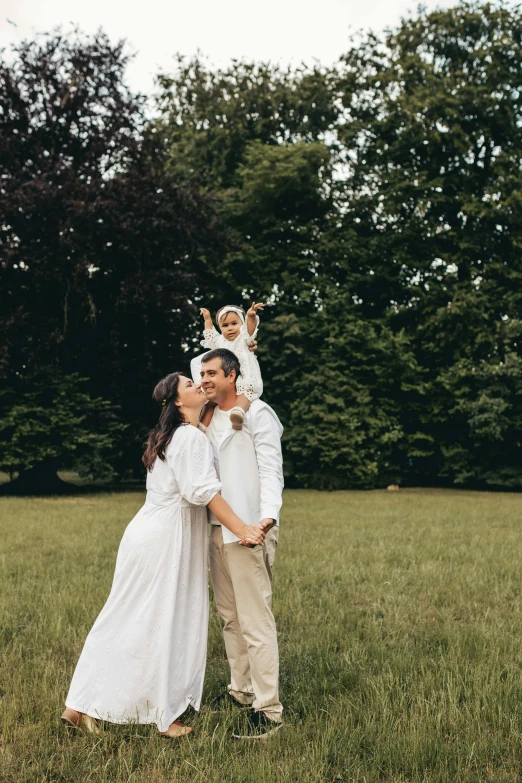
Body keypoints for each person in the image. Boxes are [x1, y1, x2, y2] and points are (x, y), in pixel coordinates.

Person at [61, 372, 266, 739]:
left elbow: (200, 438)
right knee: (163, 622)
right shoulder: (188, 438)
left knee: (124, 618)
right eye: (190, 384)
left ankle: (77, 706)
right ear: (176, 401)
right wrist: (243, 528)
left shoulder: (172, 435)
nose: (199, 385)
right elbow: (205, 493)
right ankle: (164, 715)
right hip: (166, 541)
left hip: (146, 534)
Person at [198, 348, 284, 740]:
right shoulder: (205, 418)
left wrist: (267, 517)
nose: (205, 379)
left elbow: (270, 469)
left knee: (255, 621)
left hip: (248, 528)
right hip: (214, 529)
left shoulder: (257, 414)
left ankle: (269, 711)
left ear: (233, 375)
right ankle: (241, 689)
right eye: (202, 372)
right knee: (229, 617)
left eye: (213, 372)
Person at [197, 303, 264, 431]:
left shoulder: (243, 337)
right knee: (209, 402)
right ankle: (202, 427)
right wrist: (207, 320)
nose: (230, 328)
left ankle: (238, 413)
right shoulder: (220, 341)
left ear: (242, 324)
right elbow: (210, 335)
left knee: (247, 390)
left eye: (234, 324)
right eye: (225, 325)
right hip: (226, 376)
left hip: (245, 372)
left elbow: (250, 328)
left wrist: (251, 315)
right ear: (220, 328)